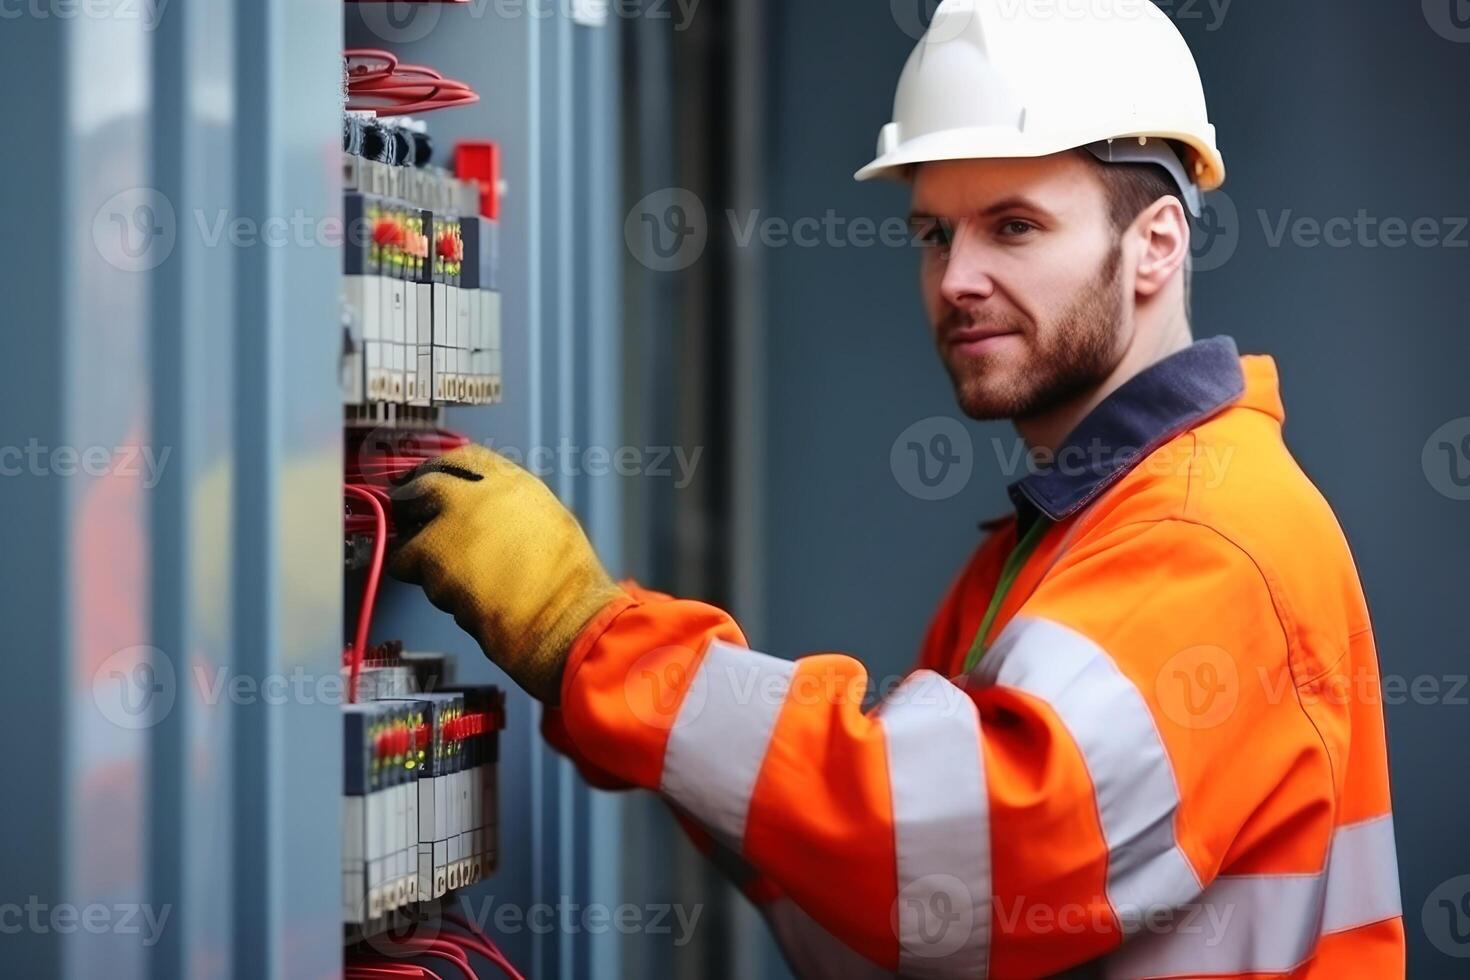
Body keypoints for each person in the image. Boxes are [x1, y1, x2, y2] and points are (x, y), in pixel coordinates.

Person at [390, 1, 1403, 975]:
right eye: (934, 233)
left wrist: (587, 637)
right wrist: (667, 739)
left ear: (1156, 245)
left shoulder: (1206, 536)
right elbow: (897, 931)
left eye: (1013, 226)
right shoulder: (1052, 542)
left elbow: (952, 863)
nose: (956, 277)